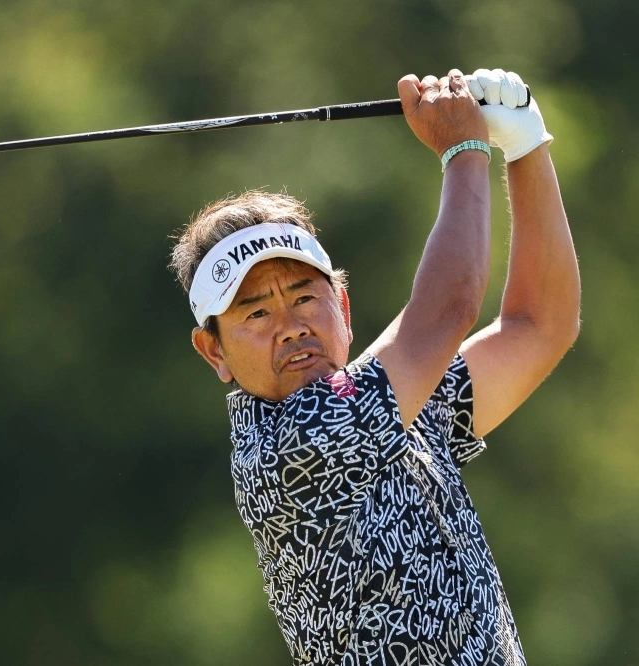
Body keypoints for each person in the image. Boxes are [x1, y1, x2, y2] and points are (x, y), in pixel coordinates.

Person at [168, 68, 579, 665]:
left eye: (305, 297)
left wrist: (526, 147)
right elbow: (450, 307)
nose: (291, 326)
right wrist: (465, 148)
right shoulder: (288, 449)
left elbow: (540, 326)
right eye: (255, 313)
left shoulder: (394, 407)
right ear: (215, 352)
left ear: (343, 308)